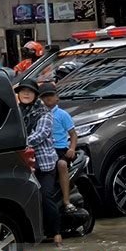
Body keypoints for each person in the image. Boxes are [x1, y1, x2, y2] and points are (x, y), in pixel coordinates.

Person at [15, 81, 61, 247]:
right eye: (23, 91)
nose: (26, 94)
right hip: (23, 163)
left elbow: (39, 135)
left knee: (45, 196)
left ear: (35, 95)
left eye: (30, 92)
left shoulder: (44, 114)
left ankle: (56, 233)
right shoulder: (16, 113)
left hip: (44, 164)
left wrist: (18, 142)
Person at [40, 82, 77, 212]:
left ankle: (67, 201)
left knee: (61, 164)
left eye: (50, 95)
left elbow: (73, 134)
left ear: (57, 97)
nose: (48, 99)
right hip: (45, 150)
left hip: (61, 149)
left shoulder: (62, 114)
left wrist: (72, 148)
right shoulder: (39, 114)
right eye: (44, 96)